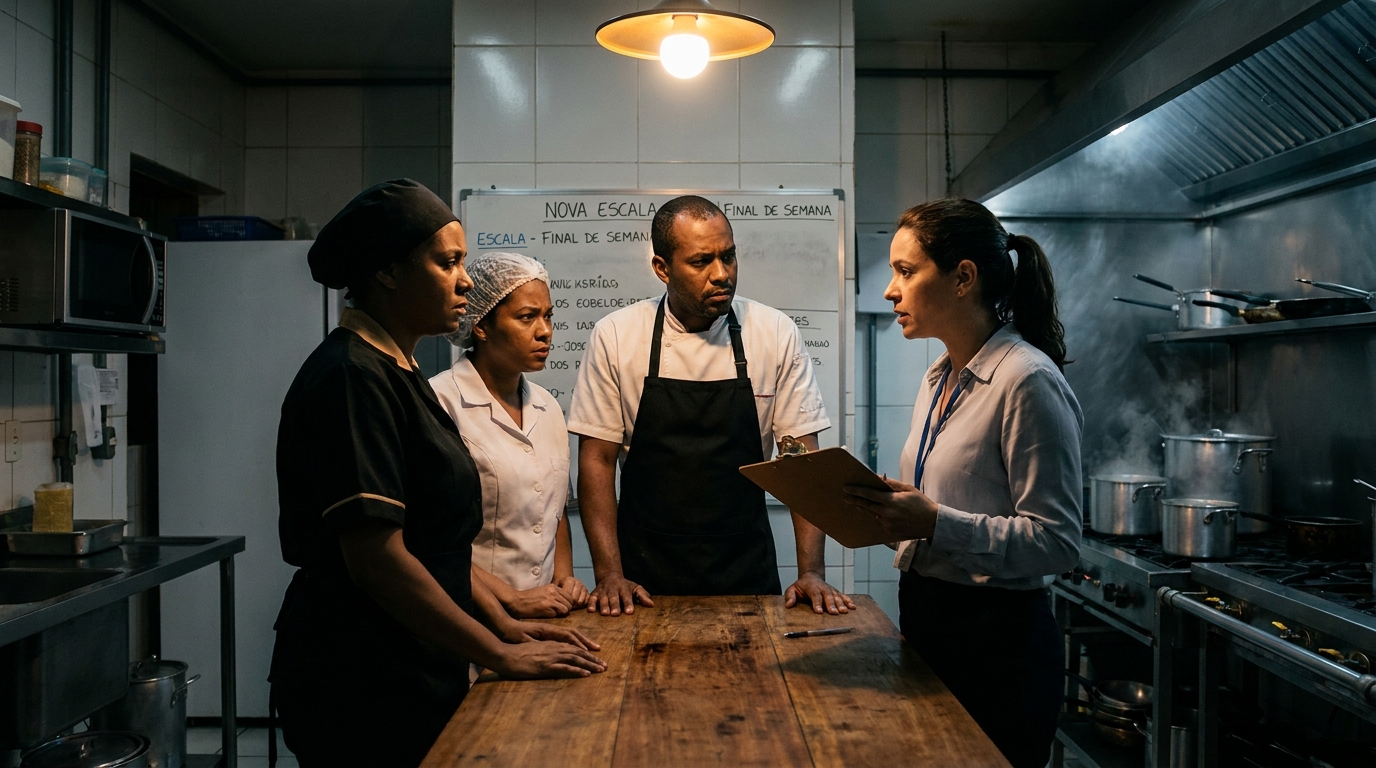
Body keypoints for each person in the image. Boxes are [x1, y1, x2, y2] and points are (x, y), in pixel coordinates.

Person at [270, 180, 605, 768]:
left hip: (417, 660)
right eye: (448, 262)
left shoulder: (398, 373)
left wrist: (506, 625)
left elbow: (435, 543)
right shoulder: (351, 377)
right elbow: (381, 558)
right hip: (361, 676)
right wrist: (501, 654)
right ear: (389, 272)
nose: (467, 281)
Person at [843, 198, 1082, 768]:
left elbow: (1057, 541)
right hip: (931, 622)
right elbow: (942, 507)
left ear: (963, 278)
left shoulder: (1025, 380)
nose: (889, 290)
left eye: (906, 271)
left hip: (999, 647)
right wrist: (889, 512)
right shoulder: (939, 376)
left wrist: (932, 523)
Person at [569, 195, 855, 615]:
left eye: (729, 256)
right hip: (643, 575)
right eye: (701, 261)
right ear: (662, 269)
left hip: (745, 565)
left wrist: (811, 571)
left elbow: (801, 460)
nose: (721, 274)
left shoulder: (774, 333)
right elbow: (595, 461)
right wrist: (609, 574)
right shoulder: (616, 336)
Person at [430, 252, 589, 618]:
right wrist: (511, 598)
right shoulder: (441, 403)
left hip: (545, 617)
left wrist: (564, 579)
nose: (545, 330)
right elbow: (429, 540)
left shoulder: (547, 407)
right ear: (481, 326)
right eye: (527, 317)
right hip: (468, 616)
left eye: (548, 316)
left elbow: (556, 511)